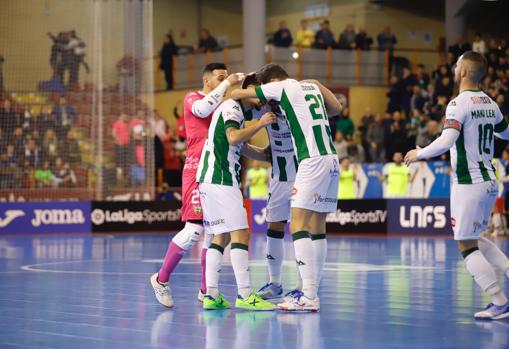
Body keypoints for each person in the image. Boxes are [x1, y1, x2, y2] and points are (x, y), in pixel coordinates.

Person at [405, 51, 509, 320]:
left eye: (457, 65)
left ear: (463, 71)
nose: (454, 68)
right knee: (473, 238)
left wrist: (420, 153)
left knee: (464, 244)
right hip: (489, 180)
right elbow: (505, 132)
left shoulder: (457, 103)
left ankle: (499, 300)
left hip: (468, 182)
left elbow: (447, 139)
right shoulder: (491, 103)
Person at [231, 64, 342, 312]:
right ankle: (286, 284)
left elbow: (236, 95)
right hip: (319, 162)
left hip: (307, 163)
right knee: (298, 224)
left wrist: (238, 83)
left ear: (269, 82)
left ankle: (309, 291)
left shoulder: (283, 90)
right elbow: (337, 108)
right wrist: (315, 83)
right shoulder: (301, 92)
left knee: (301, 224)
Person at [150, 63, 245, 308]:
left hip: (215, 172)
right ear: (207, 80)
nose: (226, 80)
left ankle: (206, 290)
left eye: (226, 76)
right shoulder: (192, 97)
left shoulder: (223, 106)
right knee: (194, 230)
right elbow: (202, 110)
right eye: (220, 77)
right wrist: (230, 82)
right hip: (195, 169)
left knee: (214, 232)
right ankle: (161, 279)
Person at [197, 77, 276, 311]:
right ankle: (245, 294)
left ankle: (211, 295)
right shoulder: (232, 107)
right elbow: (233, 137)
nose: (262, 98)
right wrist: (261, 123)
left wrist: (266, 155)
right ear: (249, 90)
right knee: (240, 233)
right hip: (221, 178)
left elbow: (238, 144)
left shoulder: (238, 112)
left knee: (220, 236)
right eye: (259, 92)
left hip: (210, 179)